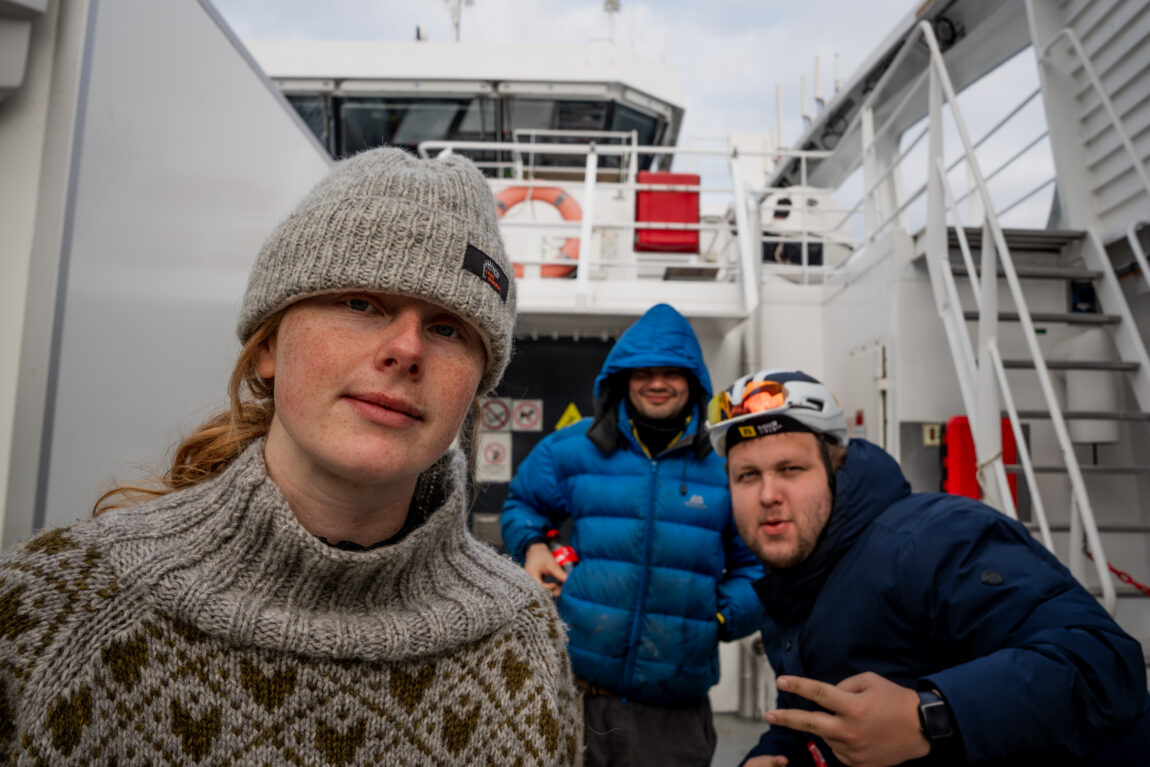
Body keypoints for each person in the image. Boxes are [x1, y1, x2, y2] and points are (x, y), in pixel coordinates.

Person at [0, 147, 580, 765]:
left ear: (474, 388)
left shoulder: (523, 640)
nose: (407, 349)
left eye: (448, 328)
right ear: (268, 346)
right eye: (361, 304)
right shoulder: (57, 603)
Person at [703, 368, 1150, 767]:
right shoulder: (790, 582)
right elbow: (814, 718)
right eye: (747, 476)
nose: (768, 495)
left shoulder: (936, 540)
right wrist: (775, 753)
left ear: (835, 467)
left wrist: (929, 716)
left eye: (790, 469)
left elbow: (1103, 666)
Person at [500, 302, 764, 766]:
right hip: (576, 696)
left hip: (674, 714)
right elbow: (522, 504)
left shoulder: (724, 466)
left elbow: (758, 565)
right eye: (643, 372)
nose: (657, 383)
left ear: (694, 381)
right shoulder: (572, 448)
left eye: (671, 372)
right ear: (622, 378)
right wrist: (533, 545)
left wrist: (720, 619)